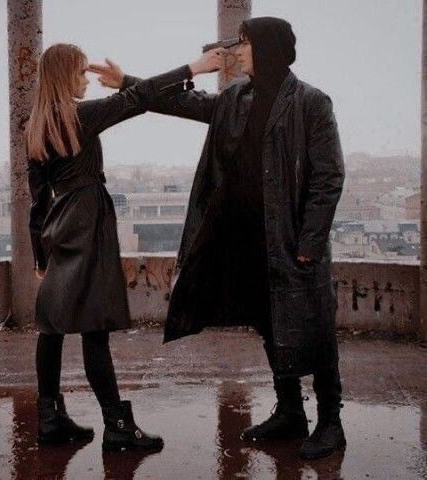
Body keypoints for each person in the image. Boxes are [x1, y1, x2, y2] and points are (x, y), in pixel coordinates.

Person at [92, 16, 346, 459]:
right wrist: (126, 83)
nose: (237, 50)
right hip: (250, 238)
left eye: (245, 43)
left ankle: (330, 424)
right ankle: (290, 413)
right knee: (270, 325)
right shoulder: (237, 98)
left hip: (292, 242)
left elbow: (328, 178)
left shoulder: (311, 103)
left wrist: (308, 244)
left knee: (317, 333)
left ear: (267, 48)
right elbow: (183, 105)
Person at [25, 43, 224, 450]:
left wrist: (40, 258)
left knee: (52, 326)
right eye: (80, 73)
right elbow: (141, 97)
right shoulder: (81, 117)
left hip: (58, 227)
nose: (85, 80)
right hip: (89, 222)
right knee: (94, 327)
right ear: (65, 76)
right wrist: (195, 67)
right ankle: (117, 424)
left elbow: (37, 202)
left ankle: (50, 419)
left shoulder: (36, 126)